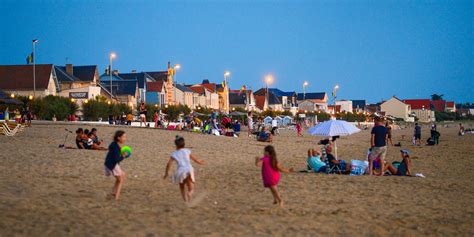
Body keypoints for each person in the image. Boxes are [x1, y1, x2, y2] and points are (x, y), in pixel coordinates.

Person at [163, 136, 205, 202]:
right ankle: (190, 194)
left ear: (176, 145)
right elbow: (195, 159)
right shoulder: (187, 151)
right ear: (184, 144)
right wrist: (200, 162)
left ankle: (185, 201)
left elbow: (168, 164)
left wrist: (166, 173)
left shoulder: (174, 153)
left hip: (180, 171)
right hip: (189, 169)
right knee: (191, 187)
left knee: (182, 187)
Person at [104, 130, 128, 200]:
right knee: (120, 180)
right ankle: (116, 197)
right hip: (112, 165)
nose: (125, 138)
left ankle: (113, 192)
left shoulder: (114, 144)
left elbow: (114, 152)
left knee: (122, 174)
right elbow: (117, 159)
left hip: (110, 163)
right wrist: (123, 156)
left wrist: (121, 152)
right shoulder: (115, 147)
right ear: (118, 138)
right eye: (124, 137)